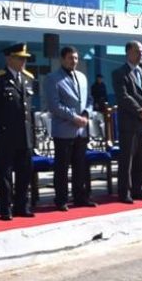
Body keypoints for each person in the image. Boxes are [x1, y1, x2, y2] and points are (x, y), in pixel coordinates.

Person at [0, 43, 36, 220]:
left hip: (25, 135)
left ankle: (22, 205)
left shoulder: (28, 78)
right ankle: (6, 208)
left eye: (25, 59)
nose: (23, 62)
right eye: (20, 58)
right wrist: (1, 126)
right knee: (5, 175)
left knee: (24, 173)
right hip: (5, 135)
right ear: (9, 58)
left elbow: (29, 109)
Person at [45, 46, 97, 211]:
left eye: (75, 58)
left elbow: (89, 99)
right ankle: (61, 199)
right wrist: (74, 117)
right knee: (62, 168)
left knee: (80, 166)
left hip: (81, 130)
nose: (73, 61)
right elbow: (54, 105)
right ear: (62, 59)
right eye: (70, 58)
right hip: (64, 130)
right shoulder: (53, 78)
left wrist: (87, 115)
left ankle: (80, 197)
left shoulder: (81, 77)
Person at [111, 40, 142, 204]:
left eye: (141, 51)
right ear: (128, 52)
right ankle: (125, 192)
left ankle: (139, 188)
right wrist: (140, 110)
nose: (141, 54)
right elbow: (123, 97)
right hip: (129, 123)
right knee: (127, 160)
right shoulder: (119, 73)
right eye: (137, 51)